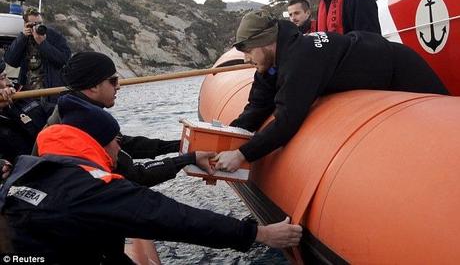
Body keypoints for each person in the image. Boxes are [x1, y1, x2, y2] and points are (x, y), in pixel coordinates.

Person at [0, 94, 302, 262]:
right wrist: (258, 235)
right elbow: (169, 215)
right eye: (116, 139)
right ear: (99, 143)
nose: (120, 145)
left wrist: (187, 156)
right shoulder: (91, 188)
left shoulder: (29, 166)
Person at [212, 10, 448, 172]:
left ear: (265, 42)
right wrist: (228, 136)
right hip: (378, 61)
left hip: (400, 66)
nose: (246, 58)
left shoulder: (299, 59)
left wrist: (242, 155)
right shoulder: (275, 61)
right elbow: (259, 105)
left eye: (249, 51)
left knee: (446, 126)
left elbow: (287, 120)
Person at [42, 51, 215, 185]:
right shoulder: (82, 122)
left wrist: (179, 145)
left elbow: (126, 144)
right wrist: (188, 158)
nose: (118, 86)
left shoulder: (72, 109)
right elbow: (136, 175)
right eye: (113, 81)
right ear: (94, 86)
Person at [3, 7, 71, 103]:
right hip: (28, 93)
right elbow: (10, 60)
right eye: (34, 24)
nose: (37, 26)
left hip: (51, 93)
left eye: (40, 23)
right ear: (26, 25)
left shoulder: (53, 36)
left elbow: (64, 60)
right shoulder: (24, 39)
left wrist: (43, 43)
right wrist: (22, 37)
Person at [0, 63, 53, 162]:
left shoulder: (20, 92)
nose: (8, 82)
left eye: (6, 76)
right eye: (2, 78)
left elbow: (48, 110)